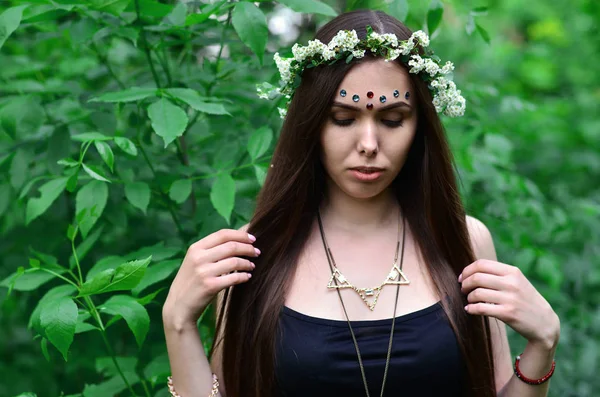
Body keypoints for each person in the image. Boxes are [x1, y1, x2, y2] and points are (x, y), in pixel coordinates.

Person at [162, 9, 560, 397]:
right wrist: (177, 323)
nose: (368, 145)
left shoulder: (464, 240)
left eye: (391, 120)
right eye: (343, 118)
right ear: (311, 122)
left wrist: (542, 345)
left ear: (419, 125)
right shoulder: (251, 253)